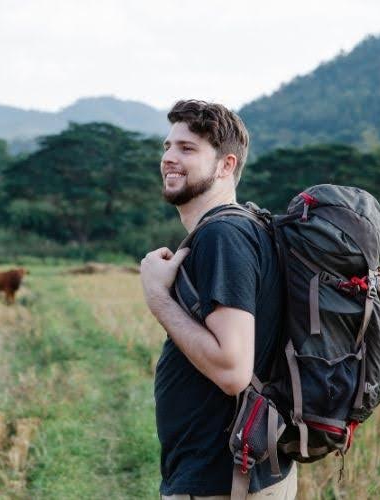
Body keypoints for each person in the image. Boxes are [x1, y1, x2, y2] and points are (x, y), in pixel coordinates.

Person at [140, 100, 297, 499]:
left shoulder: (222, 236)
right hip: (240, 471)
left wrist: (158, 297)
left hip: (224, 479)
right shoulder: (245, 227)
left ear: (226, 166)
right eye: (167, 146)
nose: (170, 158)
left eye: (187, 149)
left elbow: (232, 370)